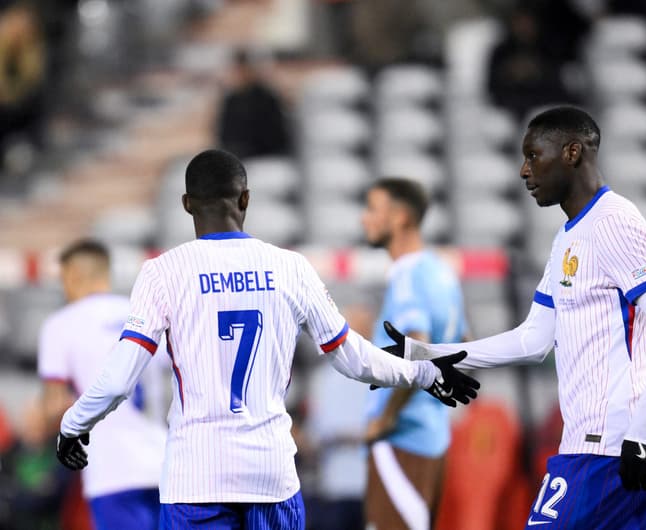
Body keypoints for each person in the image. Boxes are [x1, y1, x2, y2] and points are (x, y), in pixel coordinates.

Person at [54, 149, 479, 530]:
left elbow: (119, 377)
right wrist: (423, 372)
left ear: (187, 205)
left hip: (195, 478)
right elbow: (353, 358)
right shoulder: (290, 268)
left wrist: (74, 425)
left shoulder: (163, 272)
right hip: (270, 473)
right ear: (245, 200)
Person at [380, 107, 646, 529]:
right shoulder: (568, 237)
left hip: (613, 441)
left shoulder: (613, 223)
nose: (523, 170)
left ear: (571, 153)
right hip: (610, 441)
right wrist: (430, 355)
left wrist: (641, 430)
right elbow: (533, 339)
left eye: (534, 155)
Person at [360, 178, 469, 530]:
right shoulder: (442, 272)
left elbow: (417, 350)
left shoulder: (407, 276)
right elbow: (465, 343)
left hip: (403, 440)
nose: (364, 219)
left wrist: (386, 418)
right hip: (435, 437)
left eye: (373, 209)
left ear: (401, 218)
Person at [38, 239, 167, 530]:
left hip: (112, 471)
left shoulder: (61, 324)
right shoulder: (144, 316)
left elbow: (53, 407)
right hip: (165, 465)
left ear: (72, 275)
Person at [217, 49, 292, 159]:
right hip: (239, 156)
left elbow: (275, 136)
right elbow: (225, 134)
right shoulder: (231, 100)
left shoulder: (267, 98)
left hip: (266, 157)